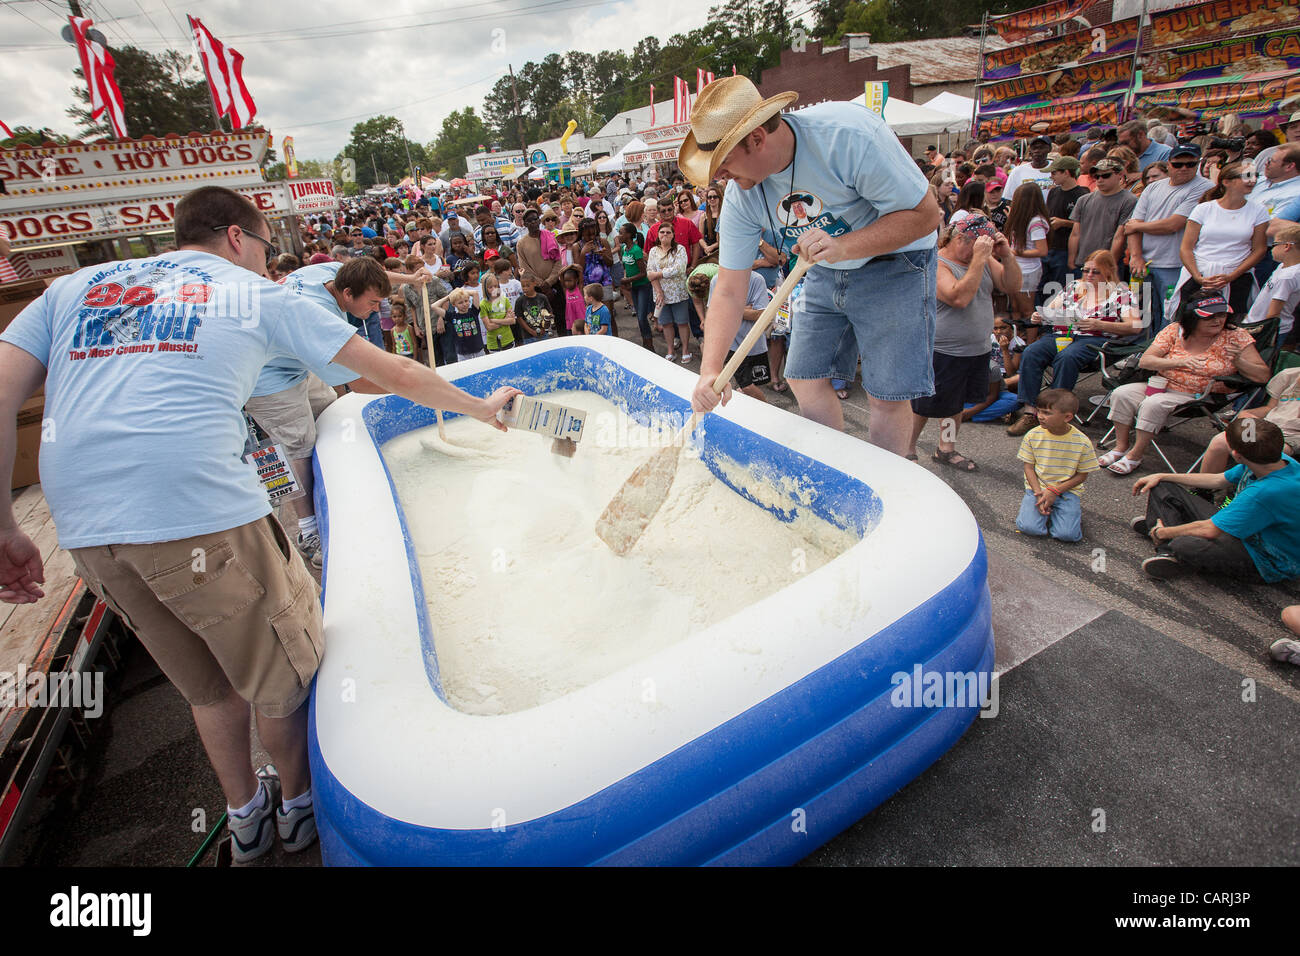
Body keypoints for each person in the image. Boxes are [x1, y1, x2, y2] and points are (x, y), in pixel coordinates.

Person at [0, 185, 519, 864]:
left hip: (88, 532)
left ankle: (244, 817)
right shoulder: (256, 294)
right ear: (239, 238)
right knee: (286, 672)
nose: (269, 264)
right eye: (266, 249)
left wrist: (6, 526)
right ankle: (298, 814)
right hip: (198, 514)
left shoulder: (73, 288)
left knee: (206, 685)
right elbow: (388, 370)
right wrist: (479, 409)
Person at [683, 75, 941, 456]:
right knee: (802, 375)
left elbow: (926, 215)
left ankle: (887, 486)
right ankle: (832, 465)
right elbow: (728, 288)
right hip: (820, 267)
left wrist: (845, 246)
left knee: (886, 395)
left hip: (896, 261)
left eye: (723, 161)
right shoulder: (741, 194)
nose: (717, 176)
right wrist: (710, 369)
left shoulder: (847, 135)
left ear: (757, 138)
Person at [1102, 290, 1271, 474]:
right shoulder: (1175, 329)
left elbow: (1263, 376)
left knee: (1153, 404)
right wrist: (1180, 362)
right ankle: (1121, 446)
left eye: (1222, 315)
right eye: (1210, 317)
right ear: (1192, 317)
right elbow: (1146, 361)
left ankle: (1135, 455)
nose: (1218, 321)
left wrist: (1239, 361)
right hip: (1161, 384)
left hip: (1201, 395)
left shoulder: (1236, 336)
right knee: (1121, 393)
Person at [908, 217, 1020, 469]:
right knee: (922, 406)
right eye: (978, 247)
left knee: (955, 404)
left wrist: (1007, 256)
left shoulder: (980, 258)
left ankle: (945, 448)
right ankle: (907, 448)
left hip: (976, 349)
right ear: (960, 239)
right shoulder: (936, 263)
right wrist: (981, 258)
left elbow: (1012, 285)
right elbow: (958, 297)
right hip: (942, 350)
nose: (981, 252)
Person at [1132, 418, 1300, 582]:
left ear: (1236, 455)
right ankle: (1168, 537)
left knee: (1184, 545)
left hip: (1266, 558)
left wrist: (1162, 533)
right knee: (1162, 485)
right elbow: (1218, 480)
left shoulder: (1264, 492)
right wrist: (1162, 475)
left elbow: (1210, 530)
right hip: (1246, 529)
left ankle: (1165, 540)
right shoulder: (1276, 460)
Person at [1007, 249, 1144, 435]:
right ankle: (1030, 412)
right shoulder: (1073, 287)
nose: (1088, 275)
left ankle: (1055, 412)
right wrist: (1040, 316)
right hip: (1063, 334)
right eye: (1086, 270)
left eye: (1095, 271)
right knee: (1032, 351)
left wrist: (1099, 323)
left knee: (1067, 357)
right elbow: (1051, 310)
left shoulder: (1121, 293)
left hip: (1095, 337)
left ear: (1109, 271)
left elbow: (1135, 326)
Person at [1124, 143, 1214, 332]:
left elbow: (1174, 224)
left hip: (1176, 265)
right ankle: (1145, 353)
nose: (1184, 168)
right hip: (1145, 265)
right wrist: (1136, 256)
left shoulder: (1205, 187)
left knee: (1171, 315)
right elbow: (1131, 228)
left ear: (1198, 164)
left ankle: (1166, 353)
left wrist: (1137, 225)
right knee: (1145, 314)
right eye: (1178, 164)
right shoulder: (1152, 187)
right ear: (1169, 164)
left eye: (1190, 164)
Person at [1173, 162, 1270, 317]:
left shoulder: (1259, 211)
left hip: (1237, 278)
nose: (1252, 181)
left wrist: (1232, 276)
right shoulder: (1203, 209)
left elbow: (1259, 249)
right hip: (1199, 275)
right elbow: (1186, 248)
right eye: (1246, 176)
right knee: (1191, 323)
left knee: (1231, 324)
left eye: (1255, 176)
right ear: (1226, 182)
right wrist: (1198, 276)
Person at [1015, 388, 1099, 542]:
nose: (1040, 416)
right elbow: (1029, 467)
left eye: (1047, 413)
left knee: (1067, 536)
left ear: (1067, 417)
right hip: (1037, 489)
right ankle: (1053, 512)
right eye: (1039, 411)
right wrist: (1039, 493)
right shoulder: (1033, 436)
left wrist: (1055, 490)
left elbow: (1082, 475)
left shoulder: (1082, 442)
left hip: (1067, 491)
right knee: (1028, 528)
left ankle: (1065, 514)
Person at [690, 269, 771, 401]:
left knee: (754, 385)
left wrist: (727, 308)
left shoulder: (757, 279)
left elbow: (762, 314)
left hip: (754, 344)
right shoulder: (717, 279)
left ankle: (755, 411)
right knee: (747, 387)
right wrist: (745, 310)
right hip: (730, 345)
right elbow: (713, 312)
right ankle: (769, 413)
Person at [646, 221, 693, 361]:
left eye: (668, 232)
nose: (665, 235)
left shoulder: (680, 249)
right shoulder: (654, 251)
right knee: (666, 323)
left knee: (682, 322)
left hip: (678, 293)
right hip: (660, 294)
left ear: (673, 235)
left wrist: (658, 274)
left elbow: (679, 269)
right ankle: (670, 350)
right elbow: (649, 272)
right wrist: (659, 291)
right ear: (658, 234)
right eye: (662, 232)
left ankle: (685, 350)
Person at [1006, 183, 1050, 327]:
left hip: (1028, 271)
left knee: (1027, 310)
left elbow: (1042, 250)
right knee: (1015, 307)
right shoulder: (1020, 218)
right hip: (1015, 267)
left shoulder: (1036, 222)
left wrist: (1017, 252)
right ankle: (1016, 338)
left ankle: (1029, 343)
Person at [1044, 156, 1088, 296]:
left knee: (1064, 290)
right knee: (1048, 289)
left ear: (1067, 173)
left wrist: (1064, 223)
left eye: (1054, 173)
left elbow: (1086, 223)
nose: (1051, 177)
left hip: (1068, 250)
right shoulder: (1053, 192)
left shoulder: (1083, 194)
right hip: (1050, 247)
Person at [1004, 137, 1054, 201]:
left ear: (1049, 149)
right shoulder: (1017, 171)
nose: (1037, 151)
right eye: (1034, 148)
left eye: (1041, 148)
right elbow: (1009, 198)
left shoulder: (1056, 168)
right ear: (1030, 150)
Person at [513, 271, 555, 342]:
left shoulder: (542, 297)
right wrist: (531, 331)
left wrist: (544, 328)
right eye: (523, 286)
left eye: (528, 285)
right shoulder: (519, 301)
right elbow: (519, 318)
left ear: (534, 283)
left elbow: (549, 313)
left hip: (543, 334)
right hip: (528, 336)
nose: (525, 288)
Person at [479, 272, 515, 352]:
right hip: (494, 344)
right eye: (490, 287)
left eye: (495, 286)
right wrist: (505, 320)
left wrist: (494, 320)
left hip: (508, 340)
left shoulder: (504, 299)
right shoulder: (483, 304)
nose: (493, 289)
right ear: (485, 288)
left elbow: (512, 321)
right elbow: (489, 327)